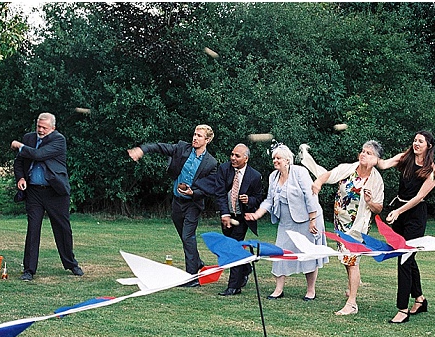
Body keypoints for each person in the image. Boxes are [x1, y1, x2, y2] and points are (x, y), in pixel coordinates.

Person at [128, 124, 219, 285]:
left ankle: (192, 278)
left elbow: (209, 188)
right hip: (177, 202)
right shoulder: (182, 148)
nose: (195, 138)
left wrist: (193, 192)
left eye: (199, 136)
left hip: (193, 204)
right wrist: (142, 150)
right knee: (185, 238)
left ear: (208, 139)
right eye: (194, 134)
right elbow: (160, 147)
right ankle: (197, 263)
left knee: (188, 236)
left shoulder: (211, 163)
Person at [310, 140, 385, 315]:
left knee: (352, 261)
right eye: (363, 151)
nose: (363, 154)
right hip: (340, 222)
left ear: (376, 159)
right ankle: (352, 287)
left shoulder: (376, 180)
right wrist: (318, 183)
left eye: (369, 153)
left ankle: (351, 303)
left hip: (358, 226)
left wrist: (369, 202)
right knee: (347, 259)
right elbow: (327, 175)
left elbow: (378, 208)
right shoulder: (348, 168)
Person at [245, 143, 327, 300]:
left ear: (288, 160)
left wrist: (312, 220)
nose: (275, 161)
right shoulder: (273, 177)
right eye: (274, 158)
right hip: (286, 223)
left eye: (278, 158)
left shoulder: (300, 172)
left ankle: (311, 291)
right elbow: (269, 200)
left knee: (307, 253)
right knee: (280, 253)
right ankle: (278, 289)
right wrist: (256, 214)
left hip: (307, 219)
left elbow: (310, 196)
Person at [11, 113, 83, 281]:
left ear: (53, 128)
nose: (41, 130)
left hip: (55, 191)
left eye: (44, 127)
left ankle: (71, 264)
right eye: (39, 126)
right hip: (34, 192)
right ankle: (29, 270)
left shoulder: (59, 140)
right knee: (33, 229)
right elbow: (19, 162)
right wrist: (20, 177)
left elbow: (39, 155)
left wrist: (20, 146)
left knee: (62, 228)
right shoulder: (29, 138)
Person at [377, 130, 435, 323]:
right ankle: (420, 299)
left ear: (428, 145)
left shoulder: (432, 171)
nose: (416, 143)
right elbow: (384, 164)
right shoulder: (405, 158)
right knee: (408, 257)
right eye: (414, 140)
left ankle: (402, 309)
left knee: (404, 258)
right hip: (400, 213)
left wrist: (398, 212)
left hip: (415, 216)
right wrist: (371, 155)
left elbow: (419, 197)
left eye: (420, 141)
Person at [195, 143, 264, 296]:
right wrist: (224, 214)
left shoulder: (254, 176)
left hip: (242, 218)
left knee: (232, 248)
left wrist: (249, 200)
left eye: (237, 156)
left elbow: (258, 198)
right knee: (228, 247)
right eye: (232, 154)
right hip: (227, 216)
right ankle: (246, 268)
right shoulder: (224, 169)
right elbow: (219, 193)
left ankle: (234, 286)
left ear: (245, 158)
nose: (233, 158)